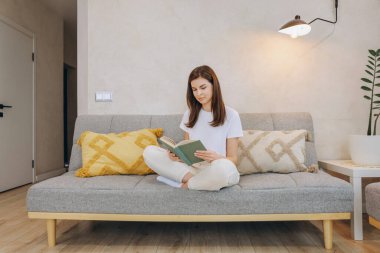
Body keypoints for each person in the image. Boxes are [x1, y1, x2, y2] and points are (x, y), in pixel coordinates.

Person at [143, 65, 243, 191]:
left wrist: (217, 157)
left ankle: (185, 185)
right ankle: (199, 182)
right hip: (192, 169)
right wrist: (176, 156)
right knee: (149, 152)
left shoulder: (231, 115)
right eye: (194, 89)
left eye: (203, 87)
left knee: (224, 170)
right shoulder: (189, 114)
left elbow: (233, 159)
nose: (199, 93)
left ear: (214, 85)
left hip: (216, 167)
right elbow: (186, 150)